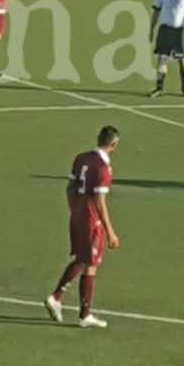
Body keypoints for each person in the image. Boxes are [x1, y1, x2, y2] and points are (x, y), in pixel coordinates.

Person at [46, 126, 121, 329]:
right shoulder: (103, 168)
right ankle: (78, 311)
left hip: (77, 215)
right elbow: (100, 202)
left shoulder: (81, 158)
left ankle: (61, 299)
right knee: (90, 264)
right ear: (113, 144)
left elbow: (70, 187)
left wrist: (74, 209)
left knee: (82, 259)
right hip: (92, 221)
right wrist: (111, 232)